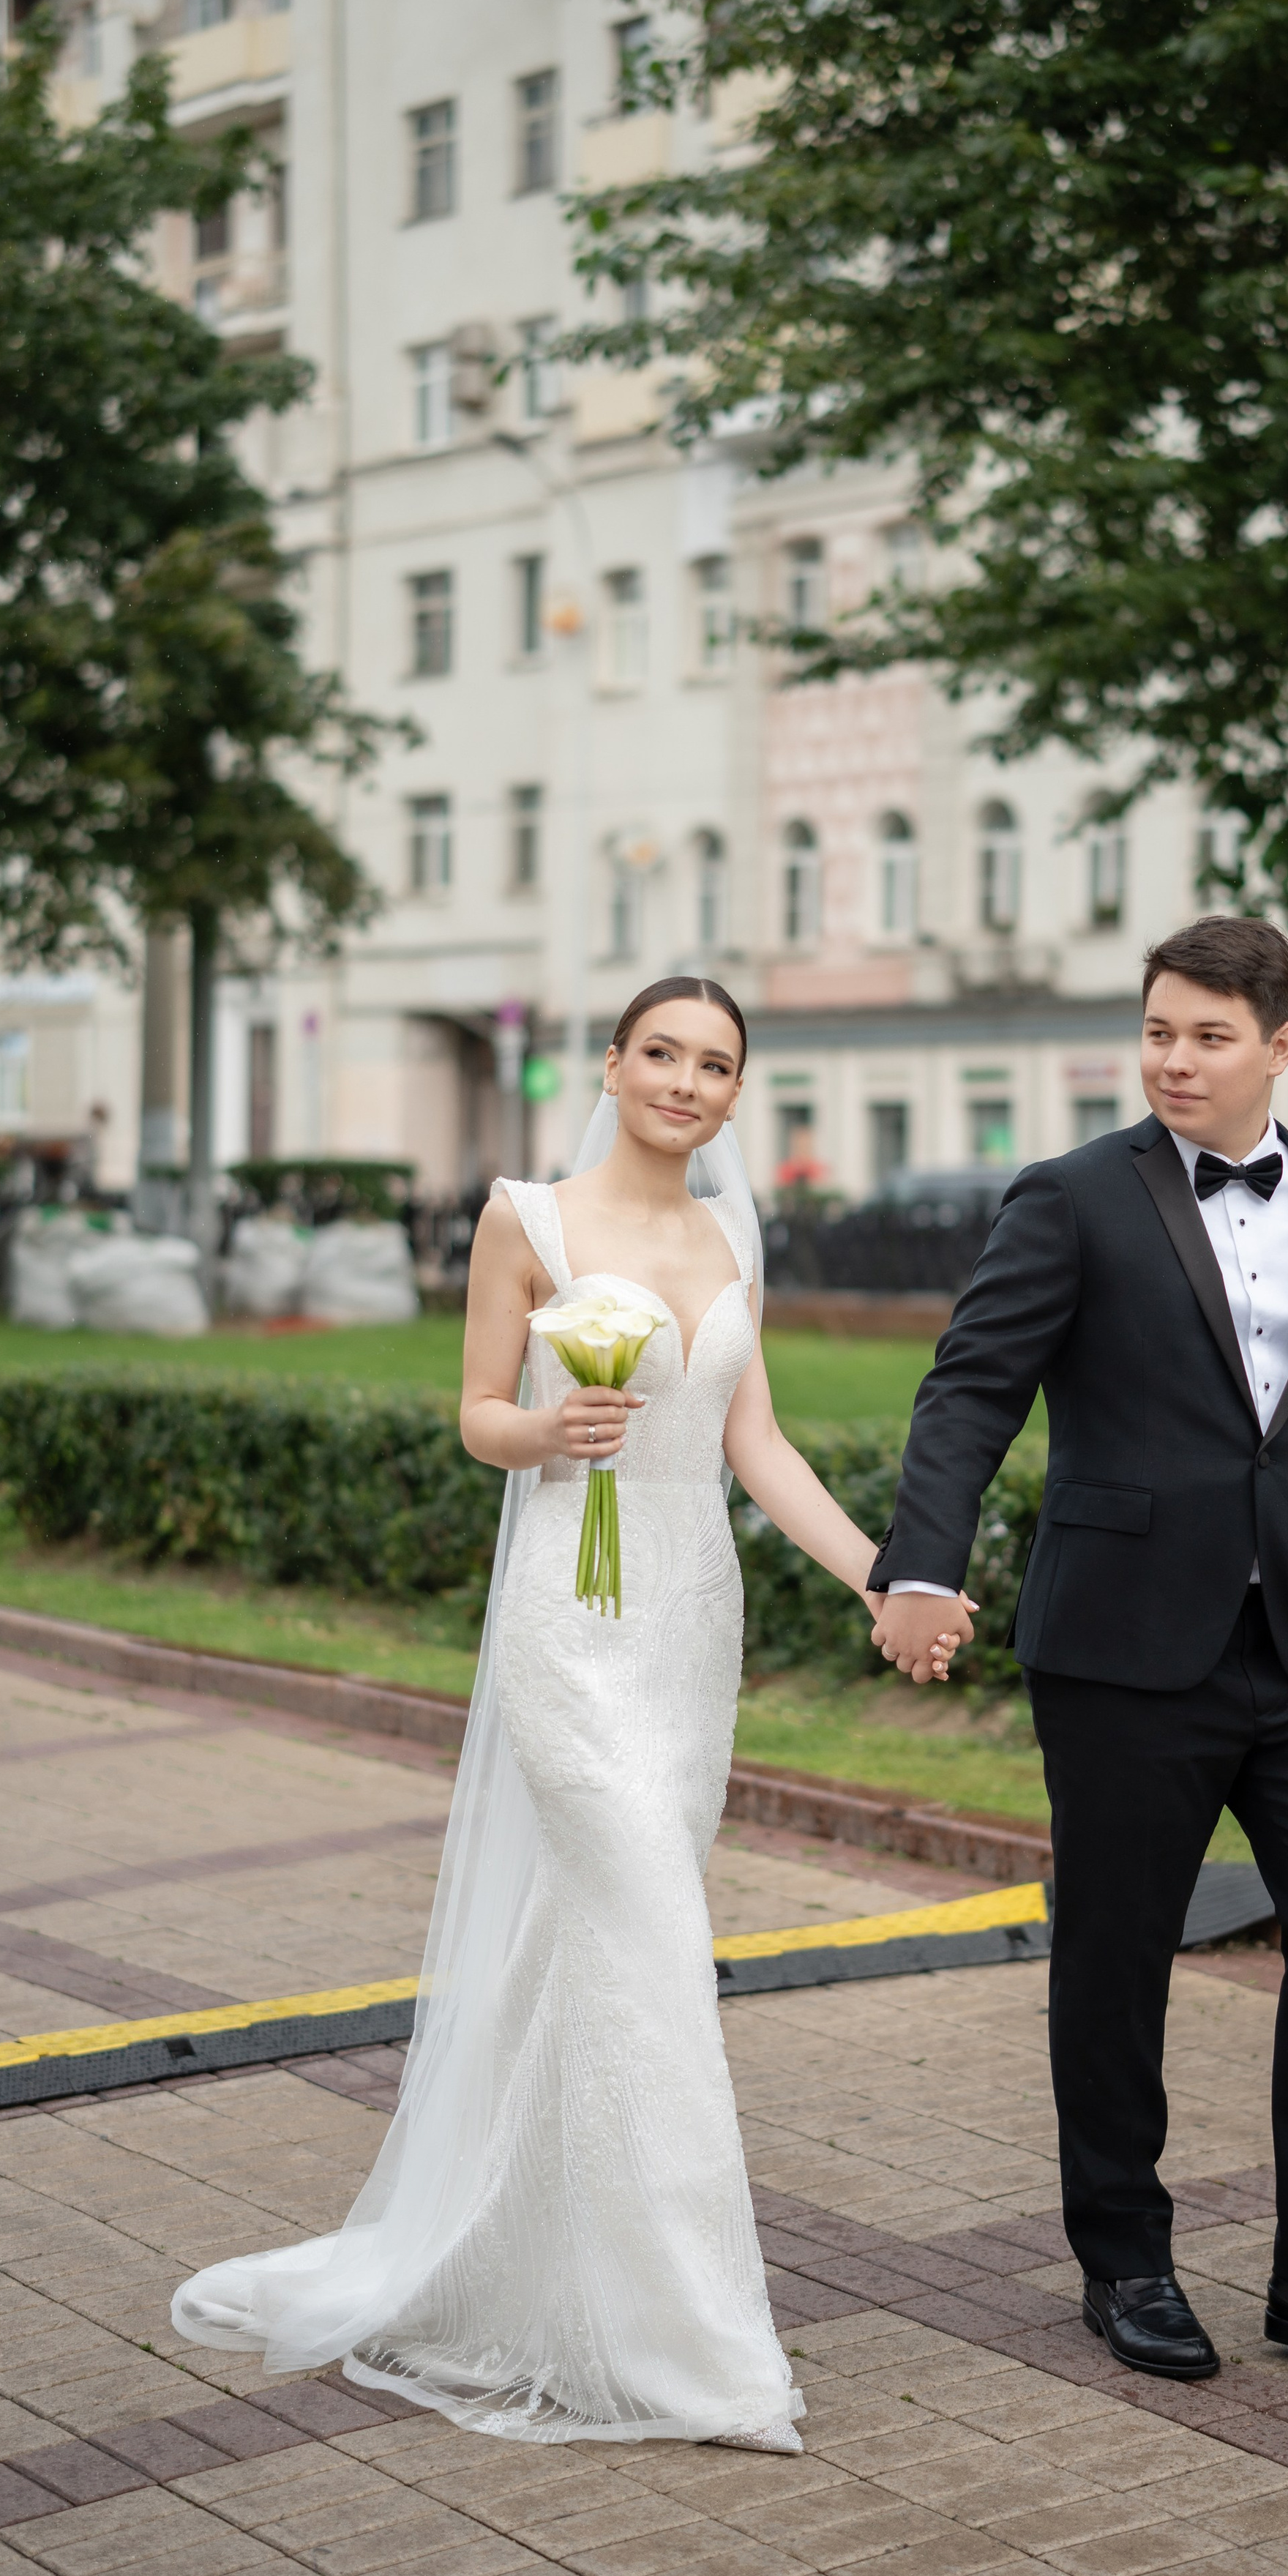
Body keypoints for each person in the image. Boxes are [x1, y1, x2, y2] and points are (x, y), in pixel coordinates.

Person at [173, 977, 965, 2449]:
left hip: (686, 1621)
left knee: (586, 1953)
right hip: (566, 1616)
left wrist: (883, 1574)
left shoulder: (730, 1237)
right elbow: (477, 1406)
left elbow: (758, 1440)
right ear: (612, 1064)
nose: (683, 1078)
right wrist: (546, 1428)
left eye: (713, 1063)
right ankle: (690, 2338)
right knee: (652, 1933)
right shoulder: (521, 1217)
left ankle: (511, 2253)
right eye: (659, 1051)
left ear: (734, 1096)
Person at [868, 916, 1288, 2388]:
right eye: (1157, 1029)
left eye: (1206, 1035)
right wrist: (917, 1563)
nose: (1172, 1058)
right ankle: (1125, 2260)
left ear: (1279, 1045)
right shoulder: (1071, 1196)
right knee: (1115, 1960)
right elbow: (970, 1389)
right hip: (1119, 1652)